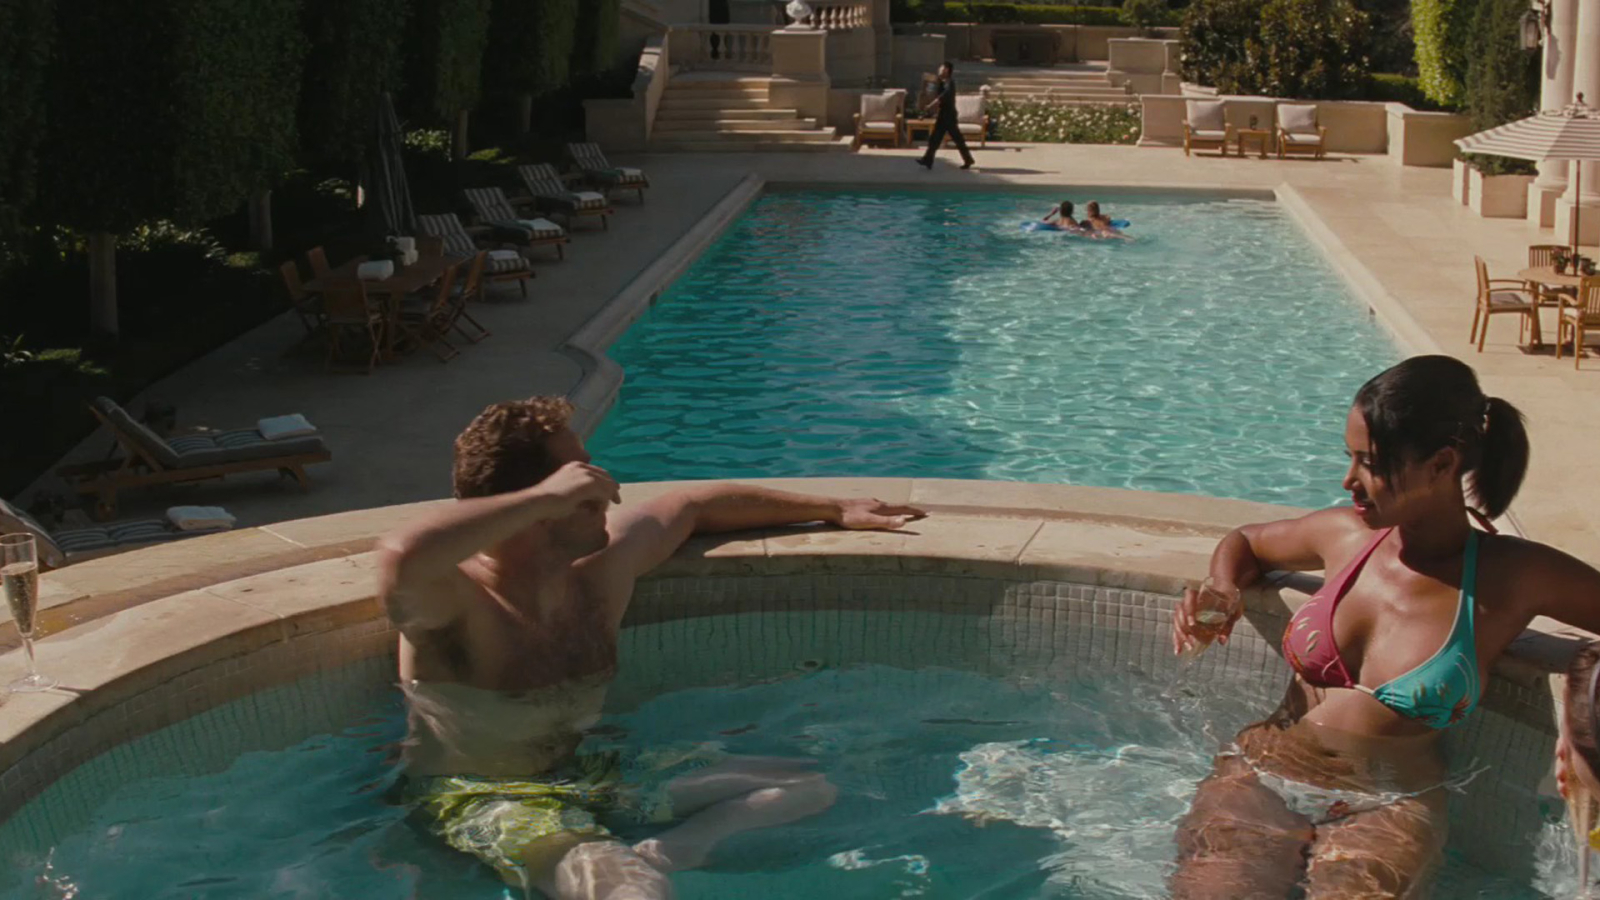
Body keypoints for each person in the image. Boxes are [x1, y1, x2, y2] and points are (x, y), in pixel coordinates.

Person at [378, 396, 926, 899]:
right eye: (584, 477)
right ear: (537, 507)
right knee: (634, 895)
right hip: (483, 796)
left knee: (806, 786)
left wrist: (833, 507)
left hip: (586, 774)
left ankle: (669, 851)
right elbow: (402, 553)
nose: (607, 488)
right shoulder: (458, 602)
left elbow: (690, 506)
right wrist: (547, 495)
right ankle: (626, 871)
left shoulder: (597, 574)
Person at [1168, 355, 1600, 899]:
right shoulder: (1345, 536)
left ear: (1441, 464)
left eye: (1369, 463)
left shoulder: (1514, 575)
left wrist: (1586, 715)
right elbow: (1246, 541)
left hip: (1386, 804)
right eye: (1349, 457)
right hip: (1264, 772)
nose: (1348, 480)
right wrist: (1223, 589)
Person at [916, 61, 976, 171]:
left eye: (941, 68)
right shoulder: (942, 82)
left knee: (957, 139)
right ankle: (928, 160)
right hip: (942, 115)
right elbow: (933, 93)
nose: (939, 70)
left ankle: (968, 160)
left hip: (949, 117)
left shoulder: (950, 83)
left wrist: (929, 106)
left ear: (946, 70)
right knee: (935, 138)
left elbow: (941, 97)